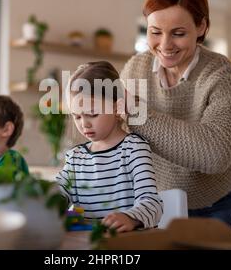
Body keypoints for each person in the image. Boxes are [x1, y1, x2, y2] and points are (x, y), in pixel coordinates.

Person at [120, 0, 231, 227]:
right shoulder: (134, 69)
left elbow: (215, 156)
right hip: (164, 201)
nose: (165, 45)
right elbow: (117, 133)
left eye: (178, 33)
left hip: (226, 199)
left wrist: (135, 112)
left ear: (202, 27)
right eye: (155, 32)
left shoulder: (221, 73)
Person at [56, 61, 162, 232]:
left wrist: (130, 218)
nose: (85, 124)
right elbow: (59, 191)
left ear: (117, 107)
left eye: (92, 114)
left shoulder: (134, 148)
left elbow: (151, 204)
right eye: (77, 117)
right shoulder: (76, 158)